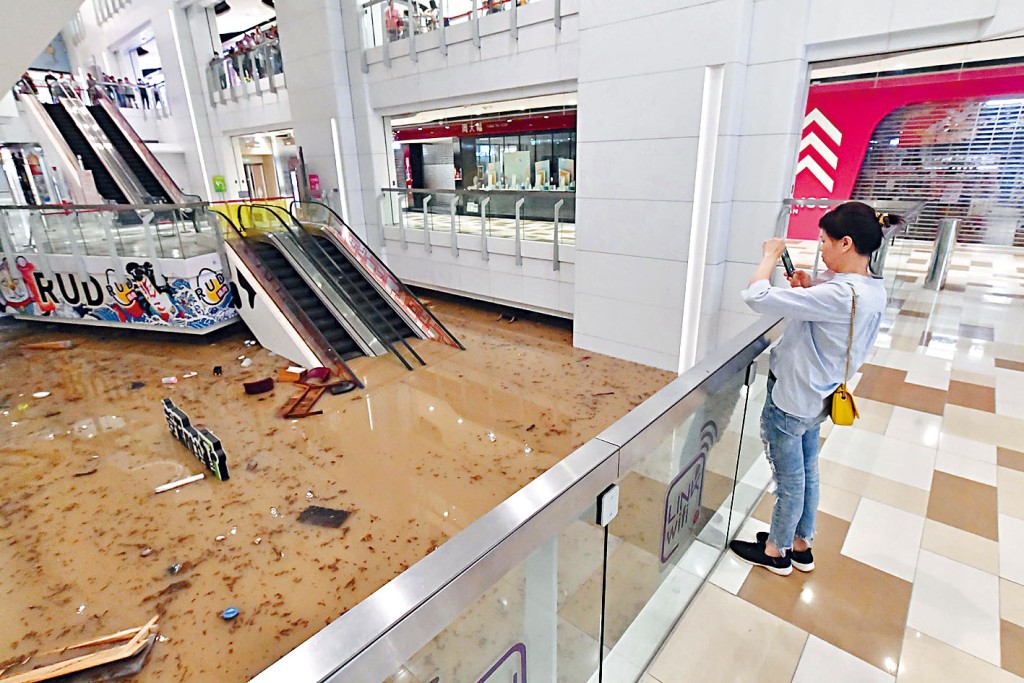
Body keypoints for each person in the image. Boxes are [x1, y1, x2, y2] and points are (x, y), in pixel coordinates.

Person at [728, 202, 901, 576]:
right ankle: (801, 542)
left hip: (793, 399)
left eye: (824, 241)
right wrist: (810, 288)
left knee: (789, 479)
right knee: (808, 471)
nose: (821, 248)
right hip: (820, 396)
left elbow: (756, 296)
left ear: (846, 243)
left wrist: (770, 257)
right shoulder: (870, 288)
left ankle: (777, 552)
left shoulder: (839, 295)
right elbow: (837, 309)